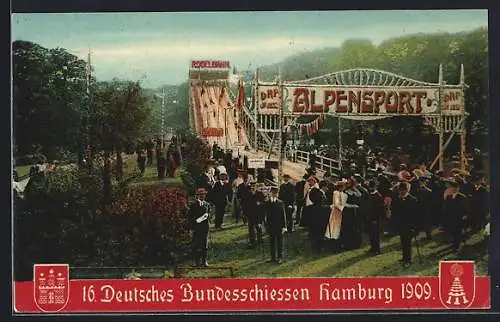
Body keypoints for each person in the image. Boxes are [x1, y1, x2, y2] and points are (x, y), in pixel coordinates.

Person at [391, 181, 418, 268]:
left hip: (409, 226)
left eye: (403, 190)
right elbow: (395, 212)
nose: (402, 192)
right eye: (400, 190)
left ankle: (408, 260)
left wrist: (414, 227)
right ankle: (404, 257)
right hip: (401, 225)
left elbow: (416, 215)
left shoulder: (413, 200)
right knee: (403, 242)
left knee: (408, 243)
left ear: (407, 190)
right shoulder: (397, 199)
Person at [187, 187, 212, 267]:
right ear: (197, 196)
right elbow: (190, 217)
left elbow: (210, 214)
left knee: (205, 245)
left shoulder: (207, 204)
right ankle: (196, 262)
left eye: (203, 194)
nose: (202, 196)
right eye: (200, 195)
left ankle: (204, 261)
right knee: (196, 244)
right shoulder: (193, 205)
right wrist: (192, 227)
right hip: (196, 228)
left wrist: (207, 216)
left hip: (205, 227)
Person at [442, 180, 469, 252]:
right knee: (453, 231)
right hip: (451, 217)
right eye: (452, 188)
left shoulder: (462, 197)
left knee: (458, 231)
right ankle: (454, 243)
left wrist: (465, 215)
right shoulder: (449, 197)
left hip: (459, 217)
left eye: (456, 188)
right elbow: (446, 207)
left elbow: (466, 208)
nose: (454, 190)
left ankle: (457, 245)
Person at [264, 186, 287, 264]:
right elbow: (265, 215)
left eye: (276, 193)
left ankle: (279, 257)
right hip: (270, 225)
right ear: (270, 193)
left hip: (279, 225)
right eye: (273, 193)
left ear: (278, 194)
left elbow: (283, 215)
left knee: (279, 242)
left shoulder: (280, 202)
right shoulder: (267, 202)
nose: (274, 194)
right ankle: (272, 257)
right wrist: (265, 225)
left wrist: (284, 226)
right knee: (272, 242)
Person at [241, 181, 265, 248]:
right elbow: (244, 204)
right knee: (251, 228)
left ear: (256, 186)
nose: (252, 187)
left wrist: (260, 203)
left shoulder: (260, 194)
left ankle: (260, 240)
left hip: (258, 214)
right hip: (250, 214)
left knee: (258, 227)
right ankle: (252, 242)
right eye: (251, 186)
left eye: (254, 186)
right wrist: (244, 213)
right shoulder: (247, 194)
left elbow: (264, 204)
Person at [367, 180, 384, 255]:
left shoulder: (378, 196)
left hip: (375, 218)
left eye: (372, 187)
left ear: (375, 187)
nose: (371, 188)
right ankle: (373, 247)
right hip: (369, 217)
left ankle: (377, 249)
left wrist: (375, 218)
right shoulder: (369, 194)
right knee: (371, 233)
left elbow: (379, 209)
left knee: (376, 234)